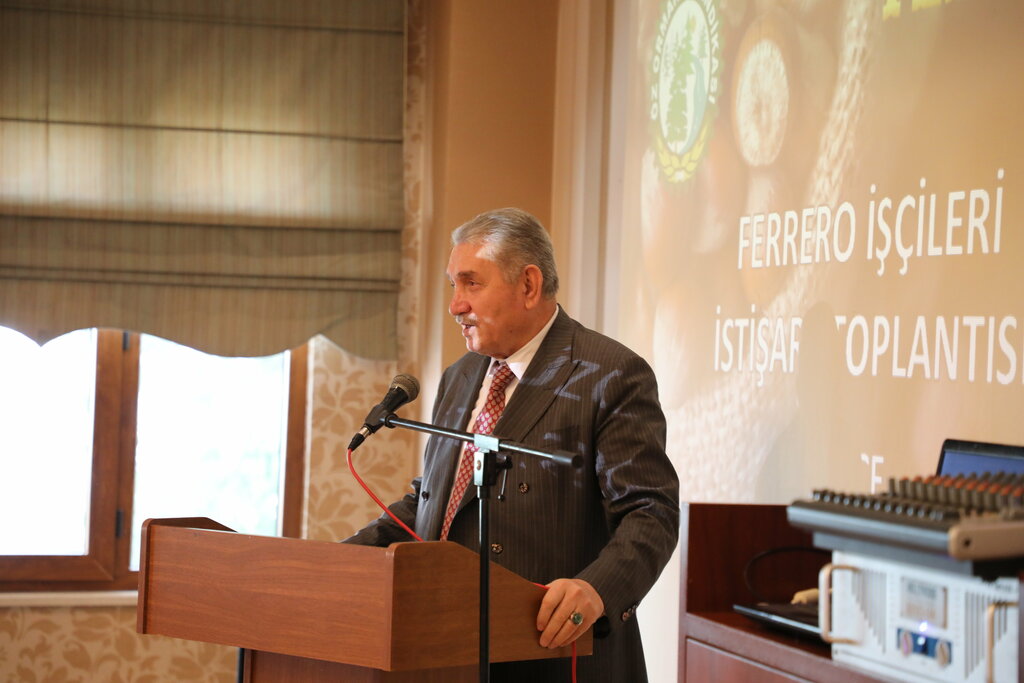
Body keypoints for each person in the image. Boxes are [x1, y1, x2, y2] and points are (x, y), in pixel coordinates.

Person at [345, 207, 679, 682]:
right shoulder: (460, 377)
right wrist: (340, 560)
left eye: (470, 283)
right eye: (452, 285)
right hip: (446, 654)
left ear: (527, 285)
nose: (455, 304)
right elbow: (436, 499)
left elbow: (651, 513)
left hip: (557, 656)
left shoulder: (609, 374)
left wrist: (596, 588)